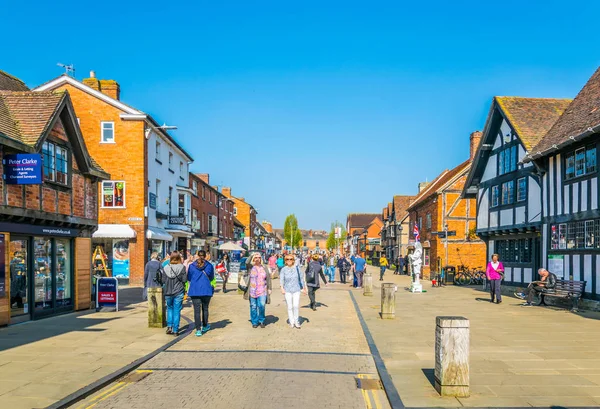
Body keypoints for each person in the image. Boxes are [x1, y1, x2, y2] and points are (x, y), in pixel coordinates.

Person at [187, 250, 215, 336]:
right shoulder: (209, 266)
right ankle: (205, 325)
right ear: (206, 256)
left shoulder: (192, 266)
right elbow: (211, 277)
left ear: (197, 255)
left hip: (195, 290)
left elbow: (189, 277)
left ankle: (198, 329)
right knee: (205, 308)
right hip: (206, 289)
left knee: (196, 310)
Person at [161, 251, 187, 335]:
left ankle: (169, 327)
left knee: (169, 309)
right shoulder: (182, 267)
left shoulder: (165, 267)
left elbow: (163, 280)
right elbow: (184, 280)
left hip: (168, 291)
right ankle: (175, 330)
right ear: (179, 258)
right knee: (177, 310)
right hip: (178, 292)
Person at [243, 252, 272, 328]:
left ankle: (261, 320)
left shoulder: (264, 267)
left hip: (262, 290)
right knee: (253, 306)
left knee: (261, 305)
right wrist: (252, 254)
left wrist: (269, 288)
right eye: (255, 258)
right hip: (252, 290)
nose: (257, 259)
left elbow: (268, 278)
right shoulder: (250, 267)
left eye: (259, 257)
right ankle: (254, 322)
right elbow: (246, 262)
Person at [280, 254, 307, 329]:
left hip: (296, 289)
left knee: (295, 306)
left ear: (293, 260)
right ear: (285, 261)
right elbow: (282, 279)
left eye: (291, 259)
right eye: (287, 259)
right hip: (287, 289)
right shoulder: (283, 269)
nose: (289, 261)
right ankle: (291, 322)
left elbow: (301, 278)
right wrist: (282, 287)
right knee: (290, 306)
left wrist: (303, 288)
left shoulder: (297, 268)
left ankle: (296, 321)